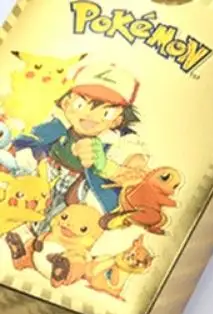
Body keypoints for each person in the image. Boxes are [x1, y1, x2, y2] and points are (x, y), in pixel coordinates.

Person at [8, 62, 148, 265]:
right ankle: (22, 239)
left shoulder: (117, 145)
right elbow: (25, 140)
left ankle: (42, 251)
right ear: (66, 104)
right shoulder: (55, 127)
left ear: (118, 120)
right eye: (81, 105)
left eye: (106, 112)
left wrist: (105, 165)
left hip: (79, 191)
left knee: (61, 222)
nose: (90, 115)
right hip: (46, 175)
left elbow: (138, 173)